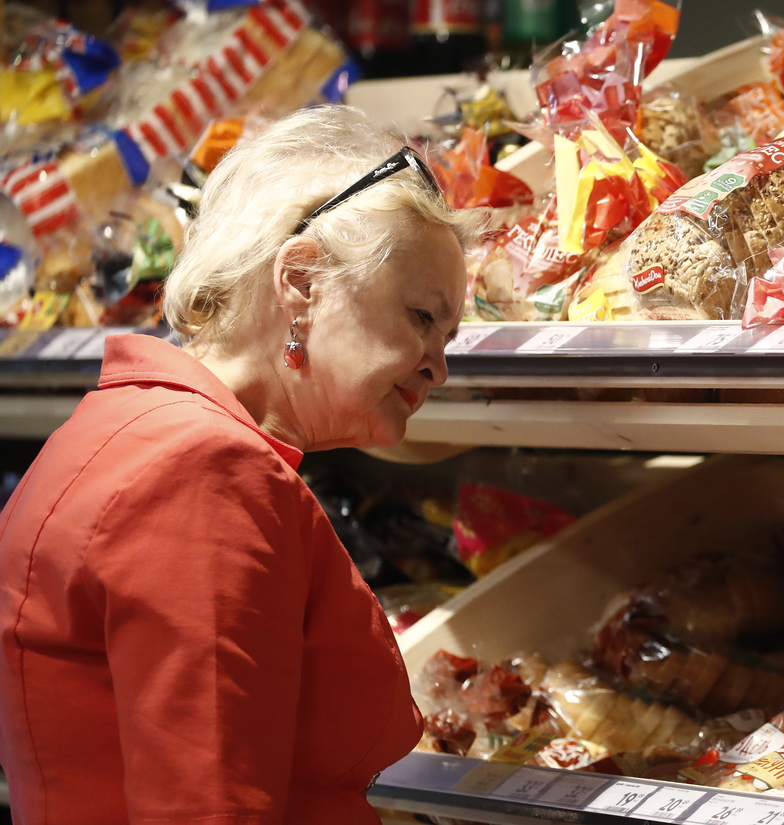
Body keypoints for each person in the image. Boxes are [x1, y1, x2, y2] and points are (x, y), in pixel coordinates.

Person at [0, 106, 478, 824]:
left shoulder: (124, 425)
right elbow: (208, 803)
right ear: (304, 280)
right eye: (421, 317)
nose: (438, 365)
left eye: (448, 335)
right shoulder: (205, 471)